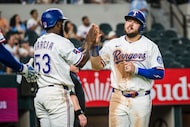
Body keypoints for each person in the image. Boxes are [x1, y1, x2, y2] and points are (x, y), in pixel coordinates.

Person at [90, 9, 165, 127]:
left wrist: (137, 70)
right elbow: (96, 66)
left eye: (135, 22)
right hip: (118, 97)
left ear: (141, 27)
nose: (130, 24)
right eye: (128, 20)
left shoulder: (150, 46)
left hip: (140, 98)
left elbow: (159, 73)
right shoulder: (113, 44)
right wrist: (94, 48)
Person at [33, 8, 98, 127]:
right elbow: (81, 62)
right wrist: (90, 45)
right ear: (58, 24)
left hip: (41, 95)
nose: (62, 25)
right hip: (57, 96)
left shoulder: (38, 42)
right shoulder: (61, 41)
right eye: (61, 23)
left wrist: (86, 44)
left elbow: (66, 54)